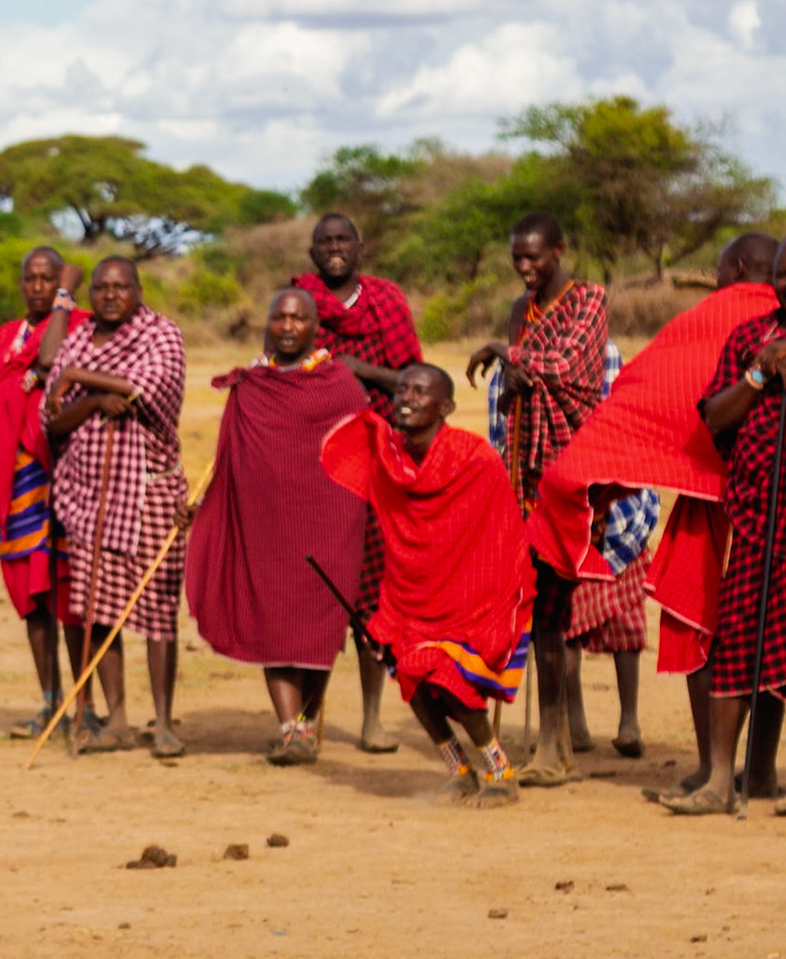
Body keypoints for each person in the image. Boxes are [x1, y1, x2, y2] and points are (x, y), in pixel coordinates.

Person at [526, 232, 785, 802]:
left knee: (713, 623)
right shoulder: (751, 334)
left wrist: (592, 488)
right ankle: (743, 772)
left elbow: (644, 403)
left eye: (720, 269)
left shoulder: (707, 320)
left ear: (738, 265)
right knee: (760, 637)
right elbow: (704, 406)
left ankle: (720, 768)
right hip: (755, 501)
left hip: (727, 506)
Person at [322, 364, 531, 808]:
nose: (406, 398)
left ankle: (501, 771)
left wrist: (483, 595)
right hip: (410, 592)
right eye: (401, 390)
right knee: (409, 670)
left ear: (447, 407)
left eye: (420, 391)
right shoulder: (388, 456)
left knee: (448, 673)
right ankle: (458, 768)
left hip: (474, 595)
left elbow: (500, 535)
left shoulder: (475, 459)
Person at [186, 288, 372, 765]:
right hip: (265, 519)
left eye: (298, 319)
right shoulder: (251, 384)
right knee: (275, 617)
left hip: (330, 519)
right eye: (279, 318)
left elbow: (359, 451)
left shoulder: (340, 384)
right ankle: (291, 728)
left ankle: (306, 723)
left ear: (315, 327)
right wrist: (204, 503)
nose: (288, 327)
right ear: (267, 323)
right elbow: (230, 455)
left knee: (320, 621)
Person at [466, 212, 610, 787]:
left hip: (573, 473)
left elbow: (571, 366)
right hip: (524, 476)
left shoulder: (588, 300)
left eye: (535, 258)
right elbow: (513, 399)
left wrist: (509, 356)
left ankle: (556, 744)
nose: (526, 269)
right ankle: (552, 746)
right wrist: (511, 382)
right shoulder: (518, 314)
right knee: (540, 613)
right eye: (517, 260)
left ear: (559, 250)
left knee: (554, 610)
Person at [42, 256, 189, 755]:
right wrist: (90, 402)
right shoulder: (78, 338)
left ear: (138, 290)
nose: (108, 295)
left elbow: (147, 390)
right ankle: (119, 720)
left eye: (120, 287)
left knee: (157, 610)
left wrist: (80, 376)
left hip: (149, 491)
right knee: (100, 611)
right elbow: (53, 420)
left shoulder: (161, 335)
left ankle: (165, 722)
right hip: (90, 495)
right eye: (100, 288)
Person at [662, 239, 786, 815]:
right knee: (740, 640)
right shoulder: (749, 337)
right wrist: (760, 374)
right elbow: (714, 418)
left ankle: (764, 777)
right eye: (782, 276)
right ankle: (718, 781)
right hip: (758, 514)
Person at [292, 213, 424, 753]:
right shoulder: (297, 303)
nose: (335, 249)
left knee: (371, 595)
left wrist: (359, 371)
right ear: (312, 250)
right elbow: (278, 368)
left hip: (373, 462)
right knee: (315, 594)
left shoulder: (388, 303)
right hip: (311, 465)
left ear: (361, 247)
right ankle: (304, 719)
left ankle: (372, 718)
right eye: (326, 241)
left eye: (344, 239)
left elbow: (416, 383)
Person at [0, 247, 88, 736]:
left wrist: (65, 298)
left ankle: (83, 704)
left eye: (48, 279)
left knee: (68, 591)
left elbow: (51, 359)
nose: (37, 286)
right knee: (34, 597)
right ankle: (49, 700)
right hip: (14, 482)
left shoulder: (78, 323)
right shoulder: (4, 336)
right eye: (30, 278)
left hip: (61, 475)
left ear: (60, 283)